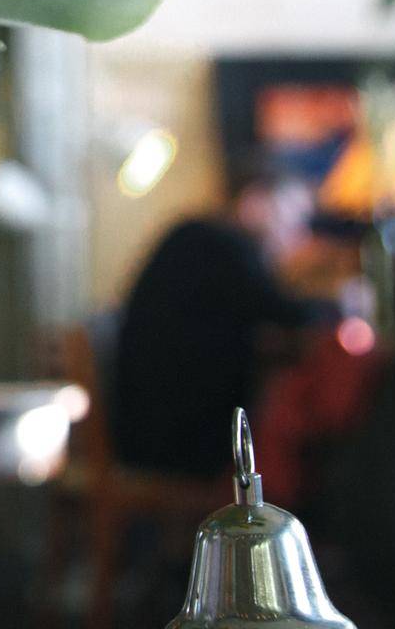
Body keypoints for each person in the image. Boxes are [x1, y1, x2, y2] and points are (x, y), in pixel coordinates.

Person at [113, 161, 330, 478]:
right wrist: (344, 304)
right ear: (254, 202)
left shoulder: (200, 238)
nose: (298, 233)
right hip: (176, 442)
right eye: (292, 215)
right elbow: (285, 312)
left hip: (157, 429)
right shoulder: (218, 244)